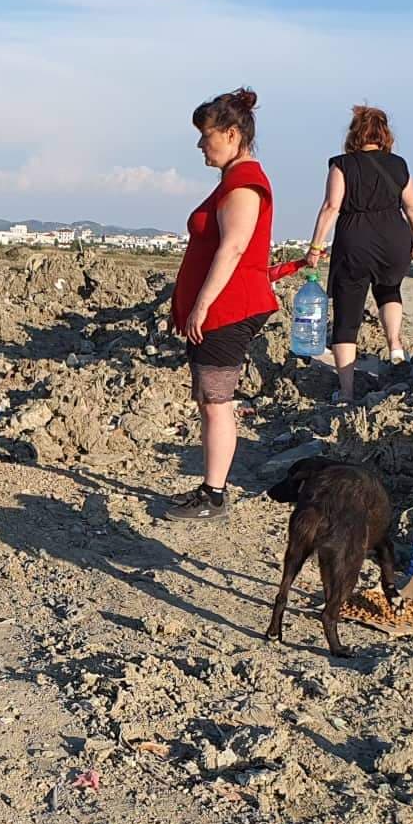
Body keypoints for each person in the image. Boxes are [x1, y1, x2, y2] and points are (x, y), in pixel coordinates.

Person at [163, 87, 277, 522]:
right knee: (211, 400)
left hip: (228, 309)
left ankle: (213, 494)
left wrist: (201, 306)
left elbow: (233, 248)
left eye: (205, 134)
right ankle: (210, 488)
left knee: (216, 401)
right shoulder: (234, 180)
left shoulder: (244, 183)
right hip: (222, 309)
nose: (199, 144)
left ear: (231, 134)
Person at [306, 105, 413, 402]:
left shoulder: (342, 165)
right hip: (394, 237)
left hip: (355, 239)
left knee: (347, 316)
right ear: (385, 134)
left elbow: (331, 207)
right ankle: (395, 346)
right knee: (389, 288)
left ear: (354, 134)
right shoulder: (399, 165)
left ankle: (346, 392)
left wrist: (316, 246)